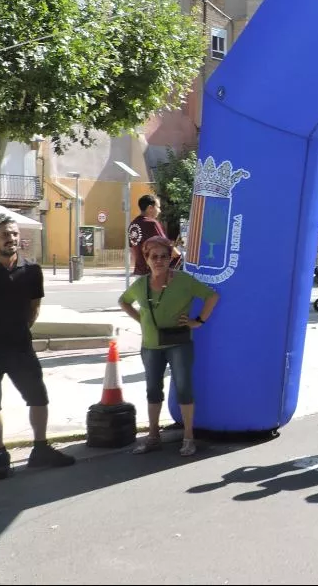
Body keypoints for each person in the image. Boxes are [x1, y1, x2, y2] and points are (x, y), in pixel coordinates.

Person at [0, 214, 76, 479]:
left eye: (14, 234)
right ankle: (0, 454)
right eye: (5, 234)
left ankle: (40, 448)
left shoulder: (32, 271)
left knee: (38, 397)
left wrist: (18, 329)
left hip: (20, 347)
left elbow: (34, 307)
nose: (11, 239)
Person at [119, 235, 219, 457]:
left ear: (170, 258)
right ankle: (153, 436)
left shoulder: (184, 280)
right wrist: (142, 320)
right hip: (151, 346)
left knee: (184, 388)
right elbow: (123, 301)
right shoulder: (141, 284)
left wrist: (198, 321)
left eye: (164, 256)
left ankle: (188, 437)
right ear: (146, 258)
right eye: (154, 256)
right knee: (153, 390)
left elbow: (211, 297)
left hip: (179, 343)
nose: (159, 260)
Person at [127, 195, 180, 276]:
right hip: (154, 274)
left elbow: (132, 251)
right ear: (150, 208)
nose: (159, 211)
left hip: (139, 274)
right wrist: (180, 255)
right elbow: (170, 249)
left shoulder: (132, 225)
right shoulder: (151, 224)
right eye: (158, 207)